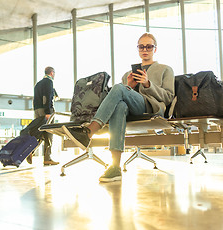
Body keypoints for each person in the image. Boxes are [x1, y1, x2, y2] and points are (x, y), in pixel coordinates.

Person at [63, 33, 175, 181]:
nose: (145, 49)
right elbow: (121, 96)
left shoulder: (165, 69)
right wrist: (129, 86)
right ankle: (115, 167)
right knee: (120, 106)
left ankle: (90, 131)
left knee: (118, 88)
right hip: (130, 107)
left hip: (150, 107)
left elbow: (168, 98)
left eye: (149, 46)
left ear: (155, 49)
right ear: (138, 49)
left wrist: (148, 84)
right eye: (141, 46)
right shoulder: (129, 74)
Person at [28, 66, 59, 166]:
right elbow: (47, 97)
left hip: (37, 110)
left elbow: (37, 98)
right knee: (49, 134)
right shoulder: (49, 82)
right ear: (52, 73)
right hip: (46, 110)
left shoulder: (38, 84)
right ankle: (47, 158)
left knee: (40, 133)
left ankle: (30, 151)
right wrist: (48, 111)